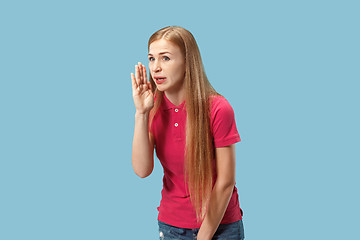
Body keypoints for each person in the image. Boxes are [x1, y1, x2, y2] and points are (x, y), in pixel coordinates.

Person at [131, 26, 245, 240]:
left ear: (187, 62)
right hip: (171, 226)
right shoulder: (152, 107)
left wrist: (204, 236)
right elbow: (142, 169)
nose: (155, 68)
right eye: (151, 58)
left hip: (221, 226)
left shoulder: (219, 109)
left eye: (165, 58)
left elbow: (226, 181)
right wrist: (141, 113)